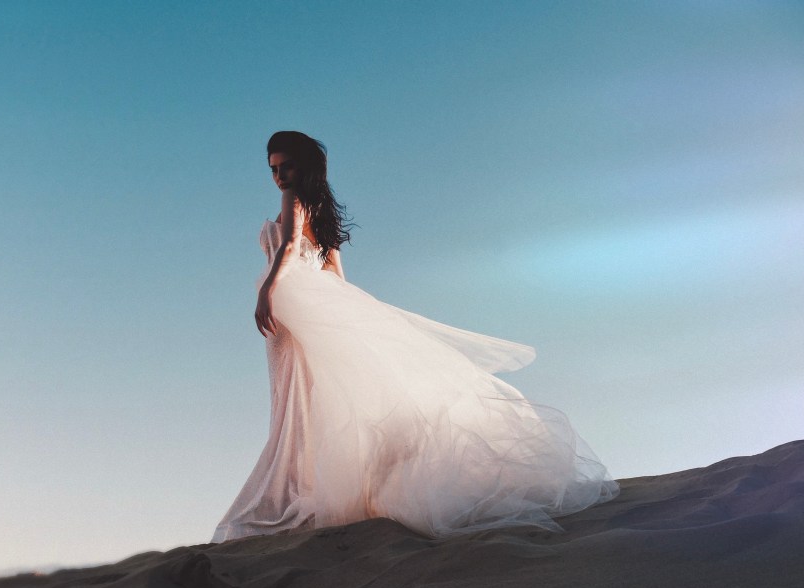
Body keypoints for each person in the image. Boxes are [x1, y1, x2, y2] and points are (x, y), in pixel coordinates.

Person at [212, 131, 617, 543]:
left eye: (286, 167)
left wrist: (267, 292)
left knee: (296, 403)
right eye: (274, 170)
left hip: (291, 307)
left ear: (303, 166)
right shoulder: (322, 207)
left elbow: (290, 246)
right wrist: (346, 312)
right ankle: (323, 487)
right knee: (313, 400)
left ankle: (303, 492)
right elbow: (335, 272)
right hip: (303, 311)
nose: (280, 177)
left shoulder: (295, 199)